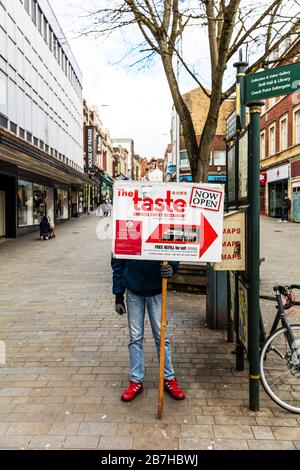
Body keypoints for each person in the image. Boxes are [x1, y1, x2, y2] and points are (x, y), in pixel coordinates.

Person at [111, 257, 185, 402]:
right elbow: (117, 261)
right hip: (133, 289)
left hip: (156, 289)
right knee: (135, 337)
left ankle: (168, 378)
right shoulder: (126, 233)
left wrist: (172, 267)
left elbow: (172, 244)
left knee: (161, 335)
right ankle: (136, 380)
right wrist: (118, 295)